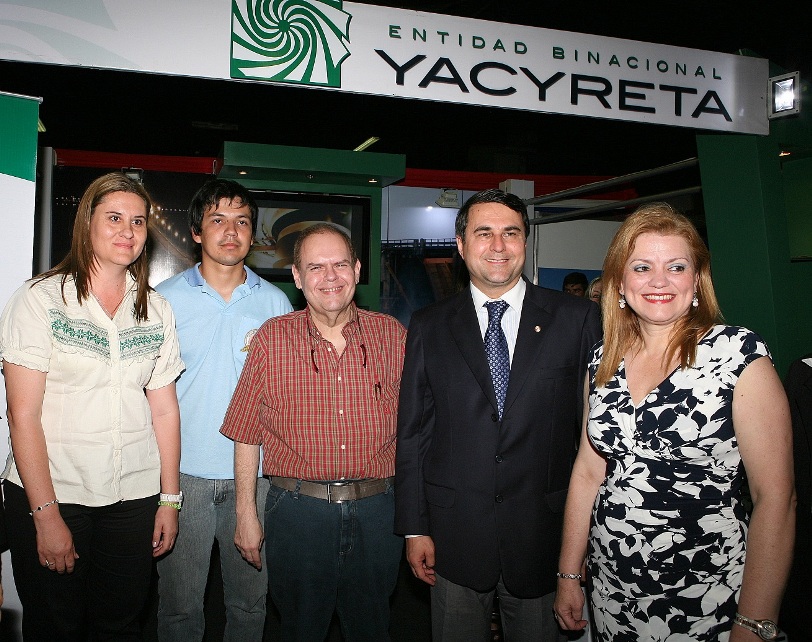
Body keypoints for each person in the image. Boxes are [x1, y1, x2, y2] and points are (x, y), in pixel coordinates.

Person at [554, 203, 795, 641]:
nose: (659, 281)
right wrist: (569, 574)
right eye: (642, 267)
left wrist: (754, 623)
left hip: (707, 594)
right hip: (612, 591)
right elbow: (589, 471)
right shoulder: (603, 360)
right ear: (620, 283)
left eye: (676, 267)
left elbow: (776, 498)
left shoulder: (737, 355)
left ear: (697, 280)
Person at [395, 188, 601, 641]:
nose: (498, 245)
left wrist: (586, 539)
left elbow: (595, 438)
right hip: (453, 536)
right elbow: (412, 434)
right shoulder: (429, 325)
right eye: (483, 233)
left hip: (544, 538)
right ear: (461, 244)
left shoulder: (577, 319)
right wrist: (414, 527)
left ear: (525, 241)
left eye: (511, 233)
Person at [0, 172, 184, 640]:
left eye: (138, 221)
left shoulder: (156, 310)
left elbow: (164, 411)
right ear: (87, 224)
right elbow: (23, 416)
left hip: (133, 498)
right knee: (54, 627)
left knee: (120, 626)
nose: (128, 231)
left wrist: (169, 499)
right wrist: (46, 516)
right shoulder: (41, 300)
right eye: (114, 218)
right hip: (55, 493)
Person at [220, 223, 406, 640]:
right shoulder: (272, 338)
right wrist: (246, 515)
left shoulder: (393, 336)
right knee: (300, 630)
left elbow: (417, 434)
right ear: (298, 277)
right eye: (316, 267)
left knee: (373, 629)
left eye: (340, 264)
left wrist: (418, 522)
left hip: (379, 512)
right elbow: (246, 431)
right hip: (297, 514)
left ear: (357, 270)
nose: (330, 277)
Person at [155, 179, 292, 641]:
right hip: (182, 476)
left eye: (242, 222)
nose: (231, 231)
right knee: (179, 609)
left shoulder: (276, 304)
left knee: (250, 605)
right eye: (218, 220)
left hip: (256, 479)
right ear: (197, 231)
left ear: (253, 234)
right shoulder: (164, 300)